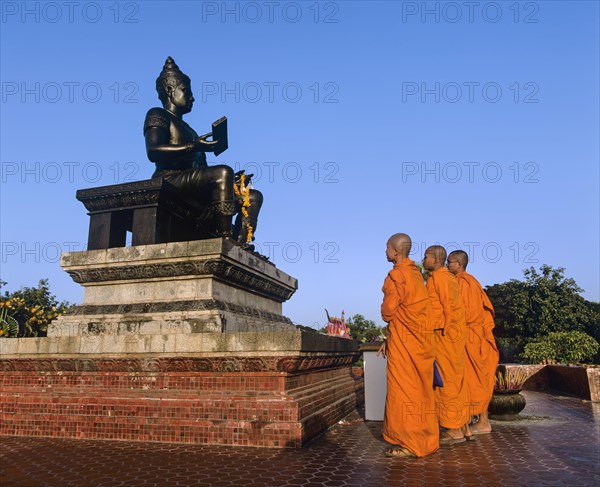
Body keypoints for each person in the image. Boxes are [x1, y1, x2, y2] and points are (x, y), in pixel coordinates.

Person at [143, 57, 262, 242]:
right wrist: (193, 146)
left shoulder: (190, 130)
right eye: (186, 91)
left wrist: (233, 180)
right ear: (169, 90)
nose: (192, 97)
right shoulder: (157, 114)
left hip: (191, 181)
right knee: (223, 172)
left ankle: (241, 244)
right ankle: (224, 238)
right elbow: (153, 151)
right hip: (169, 178)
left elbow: (202, 171)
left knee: (253, 196)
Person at [377, 233, 439, 458]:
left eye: (386, 248)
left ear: (395, 251)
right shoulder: (416, 275)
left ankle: (410, 442)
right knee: (421, 391)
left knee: (404, 391)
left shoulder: (397, 276)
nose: (385, 252)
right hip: (419, 343)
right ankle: (426, 439)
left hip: (405, 344)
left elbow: (387, 312)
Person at [447, 250, 499, 434]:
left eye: (450, 262)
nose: (447, 265)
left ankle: (479, 423)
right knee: (475, 381)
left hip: (470, 336)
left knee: (471, 381)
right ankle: (476, 423)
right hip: (473, 336)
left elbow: (465, 313)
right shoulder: (471, 282)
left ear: (459, 264)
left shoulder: (464, 282)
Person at [423, 245, 471, 444]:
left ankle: (453, 430)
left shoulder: (441, 278)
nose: (423, 260)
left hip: (445, 336)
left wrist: (440, 329)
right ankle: (462, 427)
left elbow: (447, 308)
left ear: (435, 260)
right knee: (453, 380)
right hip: (450, 336)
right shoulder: (443, 278)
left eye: (425, 257)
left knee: (447, 382)